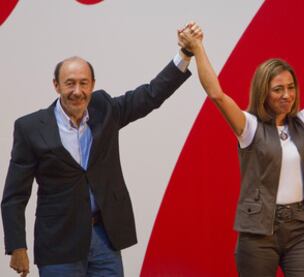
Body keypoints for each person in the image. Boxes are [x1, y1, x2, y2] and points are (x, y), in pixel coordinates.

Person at [178, 15, 304, 276]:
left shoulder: (303, 122)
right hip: (258, 233)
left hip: (301, 228)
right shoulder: (249, 126)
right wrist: (197, 49)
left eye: (291, 88)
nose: (287, 95)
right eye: (278, 89)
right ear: (263, 91)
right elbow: (217, 94)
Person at [1, 22, 200, 277]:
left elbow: (150, 95)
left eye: (84, 83)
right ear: (56, 85)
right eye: (70, 83)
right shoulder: (30, 127)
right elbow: (14, 195)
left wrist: (184, 55)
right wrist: (17, 246)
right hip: (59, 246)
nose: (77, 91)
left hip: (104, 239)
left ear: (93, 84)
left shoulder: (104, 109)